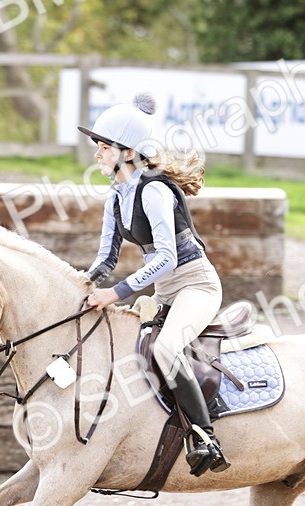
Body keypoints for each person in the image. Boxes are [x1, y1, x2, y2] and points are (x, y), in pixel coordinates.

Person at [79, 92, 231, 477]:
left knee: (165, 349)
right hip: (164, 292)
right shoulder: (115, 196)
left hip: (195, 285)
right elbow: (106, 259)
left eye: (102, 147)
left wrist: (116, 293)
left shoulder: (155, 190)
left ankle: (205, 437)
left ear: (128, 152)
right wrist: (79, 285)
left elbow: (167, 258)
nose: (96, 154)